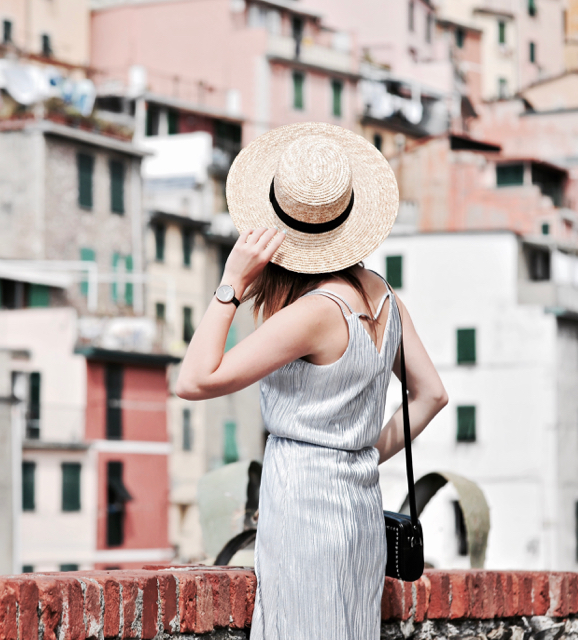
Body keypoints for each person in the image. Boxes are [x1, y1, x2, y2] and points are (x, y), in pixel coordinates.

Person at [175, 122, 448, 639]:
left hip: (304, 509)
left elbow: (193, 379)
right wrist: (357, 450)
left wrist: (232, 283)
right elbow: (432, 394)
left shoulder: (315, 313)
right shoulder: (384, 297)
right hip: (360, 507)